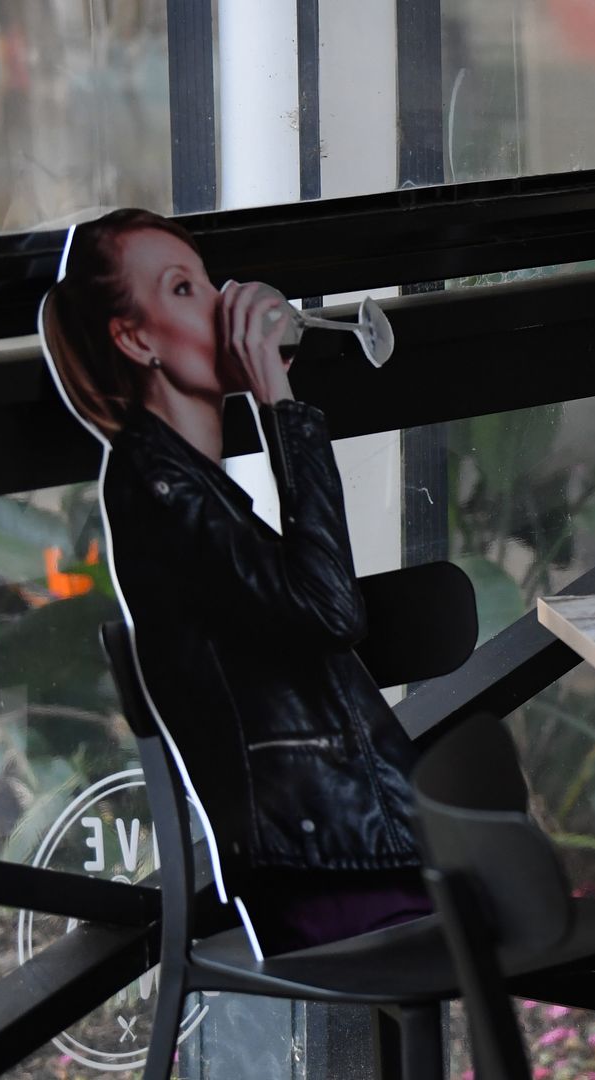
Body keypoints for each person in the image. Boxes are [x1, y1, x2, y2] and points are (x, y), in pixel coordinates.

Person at [40, 209, 429, 955]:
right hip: (326, 871)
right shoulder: (160, 492)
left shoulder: (191, 487)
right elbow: (332, 610)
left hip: (355, 849)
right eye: (186, 289)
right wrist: (279, 405)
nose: (223, 307)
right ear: (136, 339)